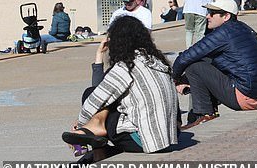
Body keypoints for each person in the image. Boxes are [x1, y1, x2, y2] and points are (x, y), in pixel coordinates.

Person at [61, 16, 178, 157]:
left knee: (92, 94)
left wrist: (80, 126)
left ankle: (94, 129)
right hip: (170, 137)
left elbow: (96, 97)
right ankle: (95, 127)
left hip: (142, 141)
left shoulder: (126, 66)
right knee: (110, 96)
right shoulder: (158, 62)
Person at [172, 0, 257, 129]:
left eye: (212, 13)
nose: (207, 16)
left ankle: (205, 115)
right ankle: (199, 116)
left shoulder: (223, 33)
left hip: (244, 96)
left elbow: (185, 57)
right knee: (204, 62)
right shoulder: (243, 28)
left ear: (226, 16)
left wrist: (175, 79)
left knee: (194, 67)